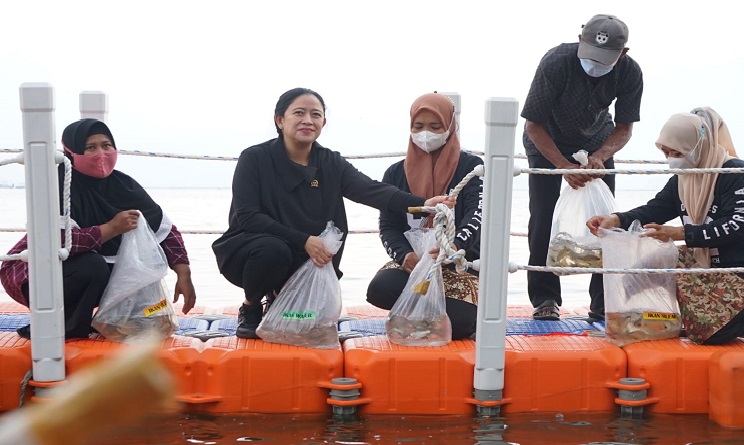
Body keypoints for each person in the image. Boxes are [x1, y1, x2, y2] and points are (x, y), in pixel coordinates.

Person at [212, 88, 454, 339]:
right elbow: (247, 216)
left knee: (306, 315)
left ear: (323, 123)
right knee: (272, 250)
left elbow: (371, 190)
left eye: (315, 114)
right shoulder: (254, 158)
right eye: (299, 113)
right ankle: (251, 307)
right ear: (280, 120)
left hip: (315, 256)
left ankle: (279, 302)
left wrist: (424, 203)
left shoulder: (330, 162)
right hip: (256, 250)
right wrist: (304, 240)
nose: (308, 120)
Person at [586, 108, 744, 345]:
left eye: (677, 152)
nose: (671, 158)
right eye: (666, 152)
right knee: (644, 272)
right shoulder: (684, 179)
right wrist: (616, 219)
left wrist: (679, 233)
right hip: (715, 267)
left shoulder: (735, 173)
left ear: (698, 146)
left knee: (709, 334)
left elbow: (736, 226)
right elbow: (655, 209)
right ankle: (634, 316)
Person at [0, 119, 197, 339]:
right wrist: (110, 229)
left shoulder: (124, 185)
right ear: (71, 152)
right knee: (92, 265)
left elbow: (163, 229)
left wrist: (183, 273)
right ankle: (65, 328)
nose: (101, 154)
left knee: (141, 269)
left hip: (93, 272)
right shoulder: (56, 184)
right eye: (90, 148)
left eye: (106, 145)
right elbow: (55, 240)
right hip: (34, 276)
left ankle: (113, 321)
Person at [520, 14, 643, 320]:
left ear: (623, 53)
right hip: (546, 140)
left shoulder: (629, 72)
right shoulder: (556, 62)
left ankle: (602, 303)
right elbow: (534, 124)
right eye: (590, 56)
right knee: (543, 217)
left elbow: (625, 127)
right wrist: (562, 166)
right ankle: (545, 298)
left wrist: (602, 155)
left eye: (604, 61)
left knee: (605, 221)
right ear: (580, 41)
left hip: (598, 140)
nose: (595, 66)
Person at [366, 92, 483, 340]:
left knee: (461, 324)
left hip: (461, 265)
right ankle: (425, 315)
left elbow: (476, 216)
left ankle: (415, 315)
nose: (425, 134)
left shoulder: (473, 169)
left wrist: (453, 247)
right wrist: (404, 255)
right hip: (415, 263)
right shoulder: (396, 172)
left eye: (435, 126)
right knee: (379, 290)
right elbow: (388, 225)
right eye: (418, 127)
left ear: (450, 127)